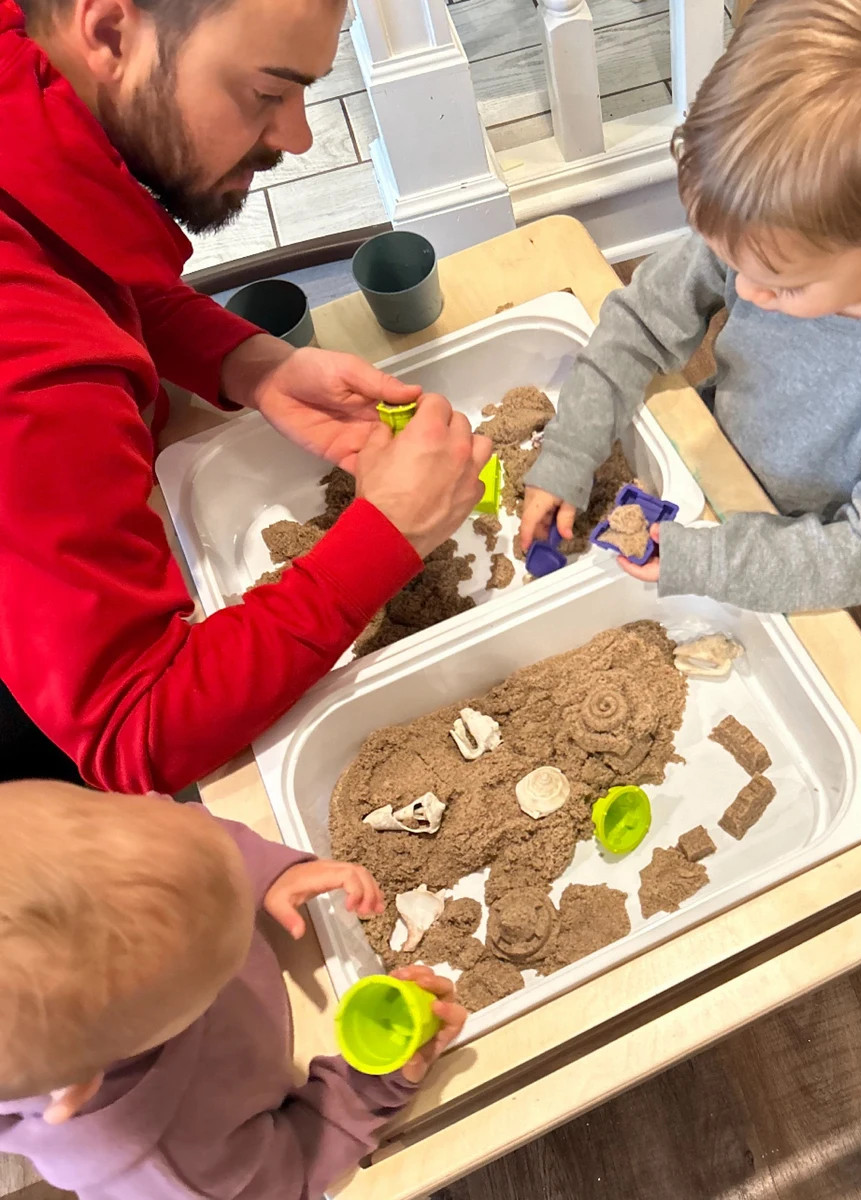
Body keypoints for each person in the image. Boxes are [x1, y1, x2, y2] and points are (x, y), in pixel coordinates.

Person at [0, 0, 492, 792]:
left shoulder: (26, 58)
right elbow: (137, 727)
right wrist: (386, 537)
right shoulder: (31, 376)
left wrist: (245, 361)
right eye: (268, 93)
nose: (297, 137)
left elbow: (78, 247)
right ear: (107, 31)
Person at [520, 0, 861, 618]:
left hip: (790, 551)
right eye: (731, 263)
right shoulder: (766, 237)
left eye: (782, 288)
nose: (746, 292)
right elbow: (637, 321)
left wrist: (710, 561)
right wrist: (572, 451)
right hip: (713, 454)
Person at [0, 780, 467, 1198]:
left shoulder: (94, 858)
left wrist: (270, 871)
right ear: (82, 1086)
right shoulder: (182, 1163)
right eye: (221, 962)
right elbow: (295, 1163)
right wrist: (369, 1085)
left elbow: (177, 835)